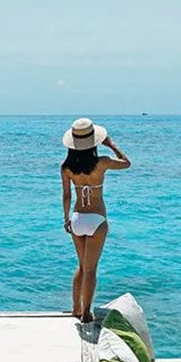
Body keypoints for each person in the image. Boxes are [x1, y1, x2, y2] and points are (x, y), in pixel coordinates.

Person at [60, 117, 131, 322]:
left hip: (77, 218)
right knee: (91, 269)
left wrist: (66, 218)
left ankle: (75, 307)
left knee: (81, 266)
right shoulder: (102, 162)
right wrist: (111, 144)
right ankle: (86, 312)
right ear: (94, 142)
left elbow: (66, 195)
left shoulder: (66, 167)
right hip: (97, 220)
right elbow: (127, 163)